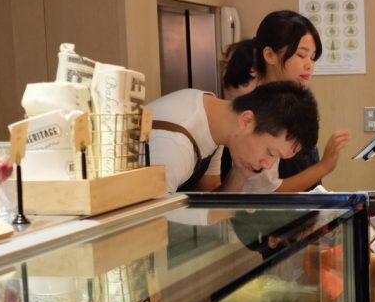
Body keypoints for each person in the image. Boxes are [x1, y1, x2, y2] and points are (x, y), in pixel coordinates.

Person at [230, 10, 349, 191]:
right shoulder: (255, 113)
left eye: (312, 57)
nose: (309, 65)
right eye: (301, 55)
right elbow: (266, 192)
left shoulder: (294, 104)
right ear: (270, 55)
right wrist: (324, 166)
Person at [145, 81, 318, 193]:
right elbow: (150, 226)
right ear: (247, 121)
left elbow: (208, 199)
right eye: (271, 153)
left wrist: (239, 175)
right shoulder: (174, 146)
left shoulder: (216, 123)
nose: (267, 165)